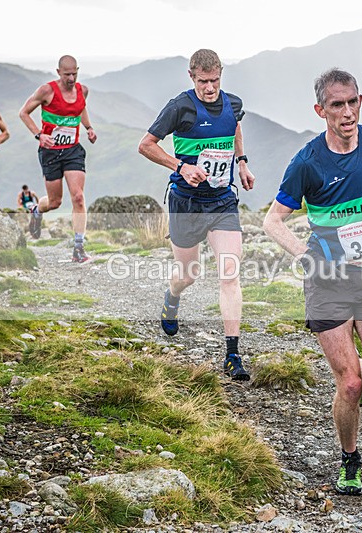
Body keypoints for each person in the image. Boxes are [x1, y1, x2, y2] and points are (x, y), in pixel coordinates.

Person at [263, 68, 362, 496]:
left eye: (352, 103)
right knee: (347, 383)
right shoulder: (308, 163)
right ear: (320, 110)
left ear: (360, 101)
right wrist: (308, 257)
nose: (346, 113)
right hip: (327, 283)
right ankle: (350, 459)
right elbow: (272, 221)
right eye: (336, 105)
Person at [137, 49, 256, 381]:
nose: (210, 88)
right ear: (192, 77)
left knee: (229, 274)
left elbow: (234, 128)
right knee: (188, 273)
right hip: (186, 203)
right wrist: (180, 166)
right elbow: (145, 144)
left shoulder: (233, 103)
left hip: (221, 202)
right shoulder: (180, 107)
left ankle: (232, 354)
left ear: (221, 74)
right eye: (203, 82)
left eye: (215, 80)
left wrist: (242, 161)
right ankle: (172, 296)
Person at [18, 55, 97, 262]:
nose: (71, 78)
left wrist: (88, 128)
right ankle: (36, 209)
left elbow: (81, 109)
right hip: (50, 151)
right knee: (54, 202)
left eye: (74, 73)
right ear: (58, 72)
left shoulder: (83, 91)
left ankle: (78, 248)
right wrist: (39, 134)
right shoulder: (47, 91)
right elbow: (24, 113)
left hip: (72, 150)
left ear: (78, 71)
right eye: (67, 74)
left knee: (78, 197)